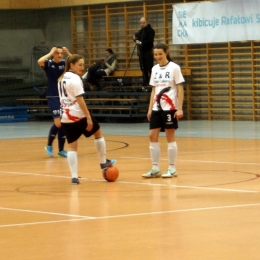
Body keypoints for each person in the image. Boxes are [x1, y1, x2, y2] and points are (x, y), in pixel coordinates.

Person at [58, 54, 116, 184]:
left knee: (72, 146)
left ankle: (74, 177)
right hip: (77, 114)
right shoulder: (75, 78)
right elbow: (80, 100)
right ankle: (103, 162)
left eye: (83, 65)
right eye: (80, 65)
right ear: (72, 65)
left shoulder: (61, 78)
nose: (82, 67)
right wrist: (88, 117)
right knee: (98, 132)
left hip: (65, 116)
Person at [142, 43, 184, 178]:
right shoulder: (154, 69)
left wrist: (179, 108)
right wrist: (150, 109)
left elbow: (180, 88)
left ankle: (172, 168)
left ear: (166, 52)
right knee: (152, 135)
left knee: (169, 136)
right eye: (155, 54)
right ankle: (155, 168)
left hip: (170, 108)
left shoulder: (174, 68)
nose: (158, 57)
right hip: (156, 108)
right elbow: (154, 89)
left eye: (160, 54)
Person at [38, 46, 72, 158]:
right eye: (58, 53)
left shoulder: (64, 63)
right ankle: (49, 145)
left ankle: (61, 150)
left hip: (63, 96)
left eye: (61, 53)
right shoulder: (48, 63)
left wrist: (68, 53)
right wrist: (50, 52)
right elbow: (40, 61)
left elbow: (76, 64)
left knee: (64, 122)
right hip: (52, 96)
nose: (60, 55)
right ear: (53, 54)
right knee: (58, 123)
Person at [133, 17, 155, 86]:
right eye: (141, 23)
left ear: (147, 22)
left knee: (149, 67)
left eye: (143, 23)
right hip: (141, 52)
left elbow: (150, 41)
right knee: (143, 68)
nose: (142, 24)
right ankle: (145, 83)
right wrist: (134, 38)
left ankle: (151, 83)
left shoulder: (151, 31)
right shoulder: (141, 31)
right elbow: (137, 37)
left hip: (148, 52)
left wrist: (141, 43)